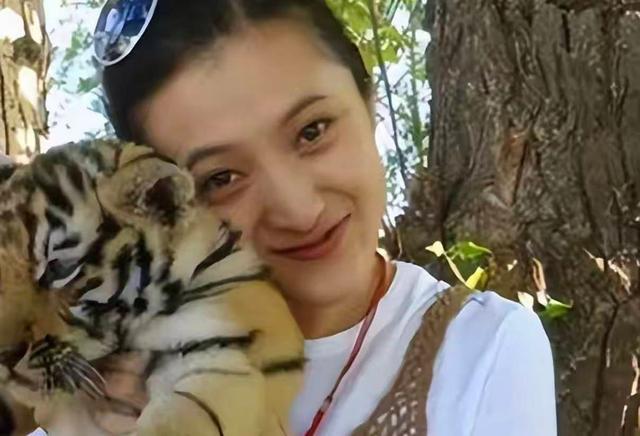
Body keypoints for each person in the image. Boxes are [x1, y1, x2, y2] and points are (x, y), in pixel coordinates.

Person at [31, 0, 557, 434]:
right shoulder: (108, 378)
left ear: (369, 102)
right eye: (221, 178)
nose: (299, 210)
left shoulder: (481, 351)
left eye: (312, 131)